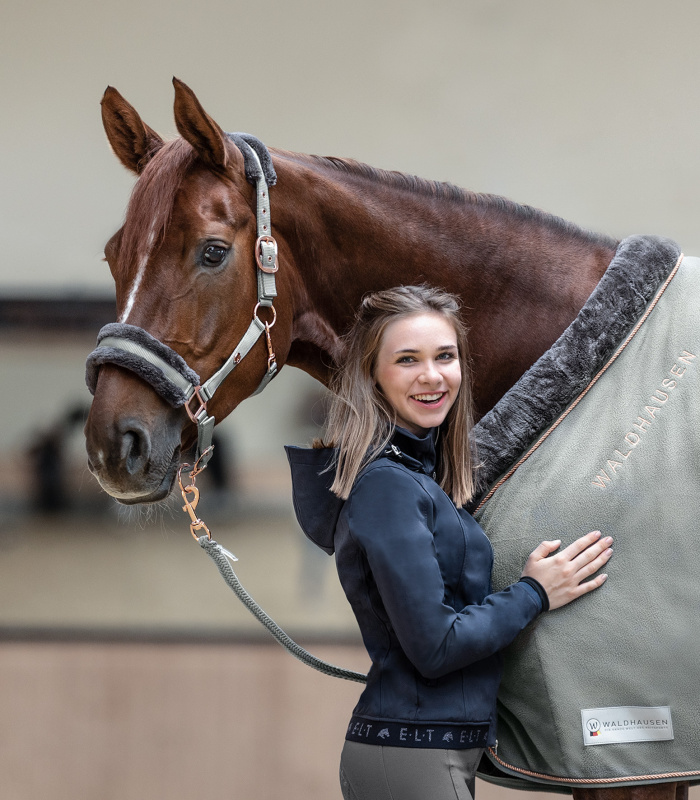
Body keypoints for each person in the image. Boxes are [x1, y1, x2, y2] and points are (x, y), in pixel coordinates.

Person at [285, 285, 612, 800]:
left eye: (445, 356)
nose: (432, 375)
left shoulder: (418, 478)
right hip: (412, 757)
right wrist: (535, 591)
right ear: (373, 374)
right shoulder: (389, 486)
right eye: (407, 360)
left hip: (431, 753)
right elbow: (436, 645)